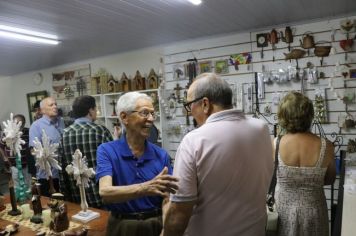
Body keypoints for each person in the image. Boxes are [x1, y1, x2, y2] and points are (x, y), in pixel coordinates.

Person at [162, 73, 273, 236]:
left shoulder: (194, 141)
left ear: (205, 104)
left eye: (189, 105)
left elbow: (179, 216)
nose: (189, 112)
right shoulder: (262, 129)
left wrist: (166, 210)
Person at [96, 91, 178, 236]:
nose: (151, 119)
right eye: (145, 113)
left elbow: (167, 198)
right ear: (124, 117)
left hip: (156, 225)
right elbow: (105, 192)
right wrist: (145, 187)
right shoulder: (107, 151)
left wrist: (166, 230)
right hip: (122, 227)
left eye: (153, 113)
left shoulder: (161, 155)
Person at [274, 91, 335, 236]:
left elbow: (271, 175)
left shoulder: (276, 143)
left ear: (283, 116)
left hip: (283, 212)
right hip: (314, 212)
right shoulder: (326, 146)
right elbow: (330, 179)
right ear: (310, 115)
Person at [61, 95, 113, 209]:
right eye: (96, 108)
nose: (97, 111)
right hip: (100, 193)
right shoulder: (100, 131)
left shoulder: (64, 134)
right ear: (90, 110)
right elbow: (113, 162)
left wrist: (66, 195)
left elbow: (62, 168)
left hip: (76, 194)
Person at [29, 97, 64, 196]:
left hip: (65, 174)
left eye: (55, 104)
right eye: (51, 105)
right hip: (48, 177)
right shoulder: (36, 126)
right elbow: (33, 151)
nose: (55, 107)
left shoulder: (61, 122)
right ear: (43, 110)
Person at [0, 114, 32, 190]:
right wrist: (4, 157)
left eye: (20, 124)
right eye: (15, 123)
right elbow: (1, 146)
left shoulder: (28, 131)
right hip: (13, 165)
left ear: (23, 124)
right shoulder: (7, 133)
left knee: (28, 186)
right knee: (17, 186)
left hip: (26, 164)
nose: (17, 126)